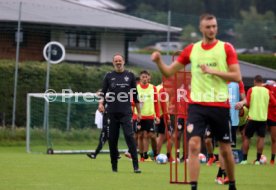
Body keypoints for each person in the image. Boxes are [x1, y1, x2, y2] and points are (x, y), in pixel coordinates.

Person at [151, 13, 241, 190]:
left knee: (224, 148)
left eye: (214, 26)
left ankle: (231, 184)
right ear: (201, 28)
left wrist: (213, 72)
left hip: (219, 104)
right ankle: (193, 186)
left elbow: (237, 76)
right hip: (197, 105)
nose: (212, 29)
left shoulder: (226, 48)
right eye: (208, 27)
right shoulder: (192, 49)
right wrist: (159, 61)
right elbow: (169, 72)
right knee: (193, 145)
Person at [98, 53, 141, 173]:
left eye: (119, 60)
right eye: (116, 61)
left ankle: (136, 166)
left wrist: (139, 111)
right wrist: (101, 104)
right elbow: (103, 92)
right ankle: (114, 167)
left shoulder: (130, 75)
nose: (118, 62)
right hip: (111, 113)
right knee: (113, 140)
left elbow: (135, 95)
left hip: (126, 112)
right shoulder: (108, 76)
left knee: (129, 137)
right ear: (113, 63)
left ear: (123, 62)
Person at [241, 76, 276, 165]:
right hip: (262, 119)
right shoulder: (267, 91)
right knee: (261, 138)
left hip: (252, 118)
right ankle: (257, 160)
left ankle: (244, 160)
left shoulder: (251, 90)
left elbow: (248, 103)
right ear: (262, 81)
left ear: (255, 81)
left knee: (246, 137)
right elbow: (274, 103)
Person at [136, 70, 160, 162]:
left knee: (148, 135)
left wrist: (157, 115)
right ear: (140, 78)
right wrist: (137, 103)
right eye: (143, 77)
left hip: (150, 115)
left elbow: (156, 103)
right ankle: (142, 155)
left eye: (146, 77)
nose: (145, 79)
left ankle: (150, 154)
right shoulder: (136, 88)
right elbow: (131, 102)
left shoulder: (153, 88)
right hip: (139, 115)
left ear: (148, 78)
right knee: (140, 135)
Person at [264, 80, 276, 165]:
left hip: (274, 117)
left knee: (273, 139)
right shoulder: (269, 86)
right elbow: (258, 85)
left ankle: (272, 159)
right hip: (265, 115)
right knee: (260, 136)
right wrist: (267, 83)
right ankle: (258, 158)